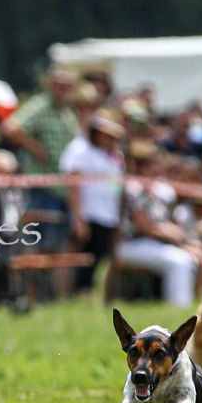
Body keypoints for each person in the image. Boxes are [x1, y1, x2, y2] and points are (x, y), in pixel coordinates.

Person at [1, 67, 80, 252]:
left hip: (61, 188)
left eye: (66, 85)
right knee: (36, 245)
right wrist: (34, 147)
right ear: (50, 85)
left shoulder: (67, 111)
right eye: (58, 84)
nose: (62, 89)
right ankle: (30, 281)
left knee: (56, 245)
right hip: (42, 185)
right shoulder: (41, 105)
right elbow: (11, 127)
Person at [116, 141, 200, 307]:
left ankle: (195, 304)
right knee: (180, 262)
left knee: (198, 256)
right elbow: (143, 226)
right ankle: (178, 308)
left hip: (156, 244)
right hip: (132, 244)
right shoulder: (134, 188)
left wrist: (180, 236)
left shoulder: (161, 189)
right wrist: (172, 233)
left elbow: (169, 221)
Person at [59, 111, 125, 298]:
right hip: (88, 213)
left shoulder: (113, 156)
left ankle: (87, 293)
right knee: (81, 258)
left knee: (97, 258)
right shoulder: (79, 149)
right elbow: (73, 184)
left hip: (107, 215)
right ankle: (71, 294)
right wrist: (78, 218)